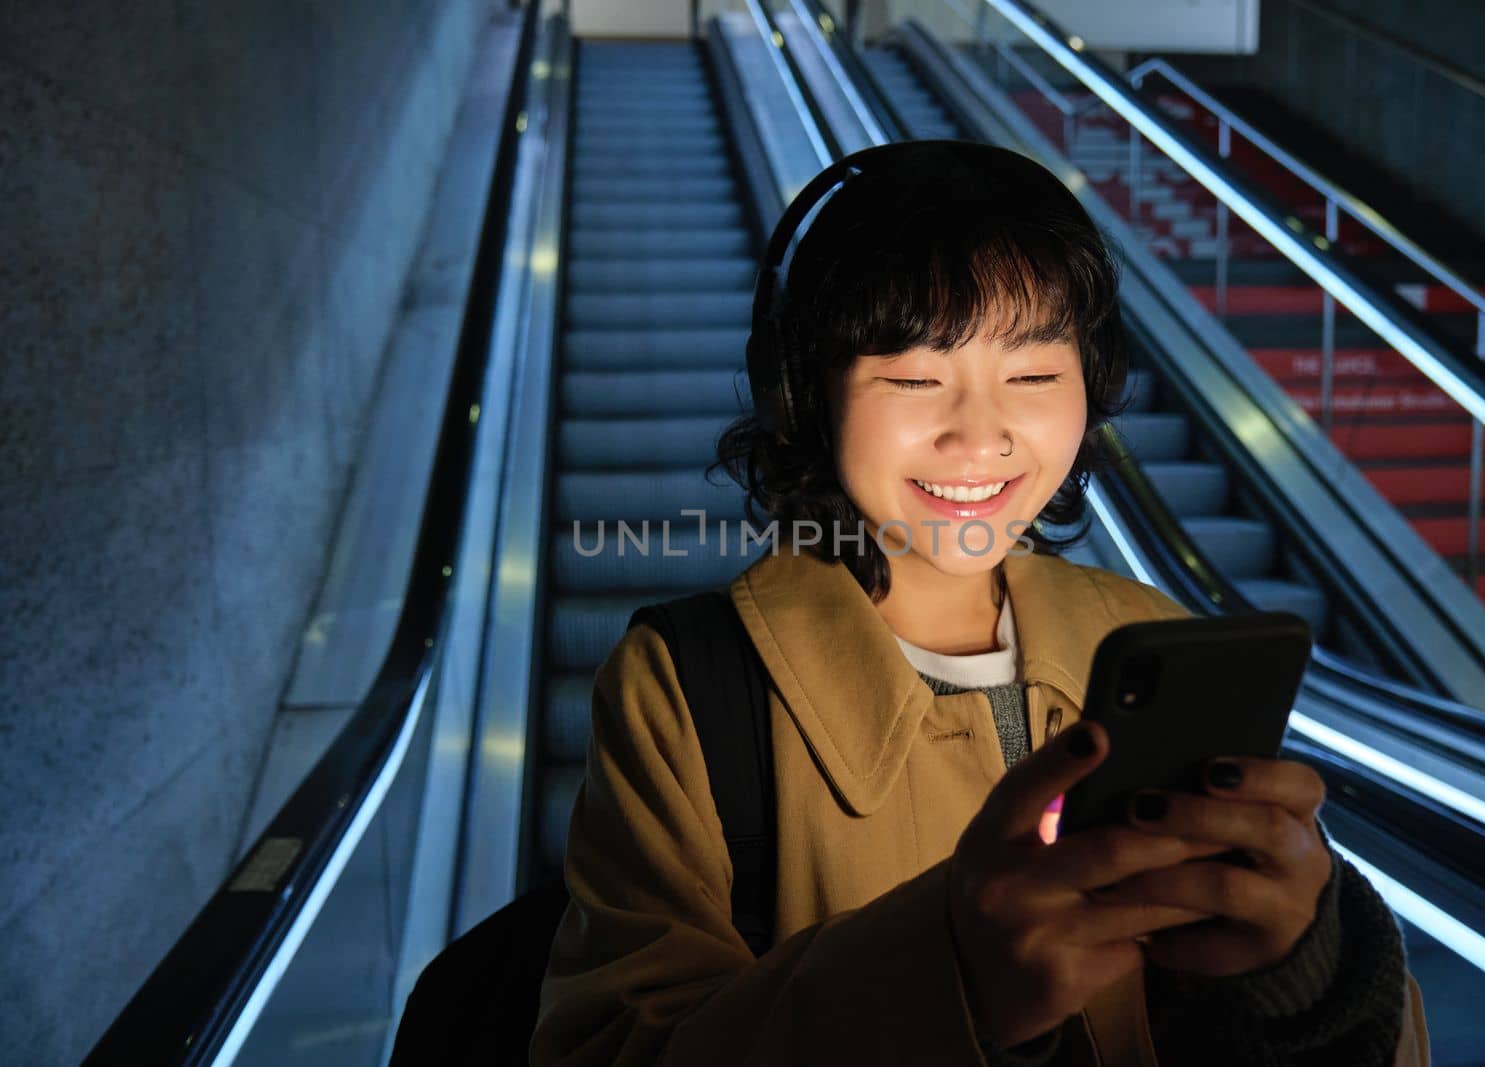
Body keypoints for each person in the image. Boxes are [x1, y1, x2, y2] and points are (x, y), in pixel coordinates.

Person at [530, 140, 1428, 1066]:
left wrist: (1312, 970)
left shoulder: (1154, 640)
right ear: (803, 393)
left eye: (1035, 377)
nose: (980, 435)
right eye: (917, 379)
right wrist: (950, 978)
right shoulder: (681, 688)